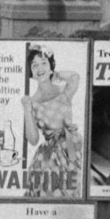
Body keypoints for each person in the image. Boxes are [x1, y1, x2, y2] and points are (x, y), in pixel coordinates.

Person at [20, 44, 81, 198]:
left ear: (51, 66)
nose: (40, 68)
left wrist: (57, 74)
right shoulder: (32, 102)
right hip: (49, 156)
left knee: (76, 193)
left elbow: (75, 77)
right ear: (30, 71)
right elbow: (33, 140)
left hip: (72, 148)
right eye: (34, 65)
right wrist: (27, 110)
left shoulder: (63, 91)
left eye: (44, 63)